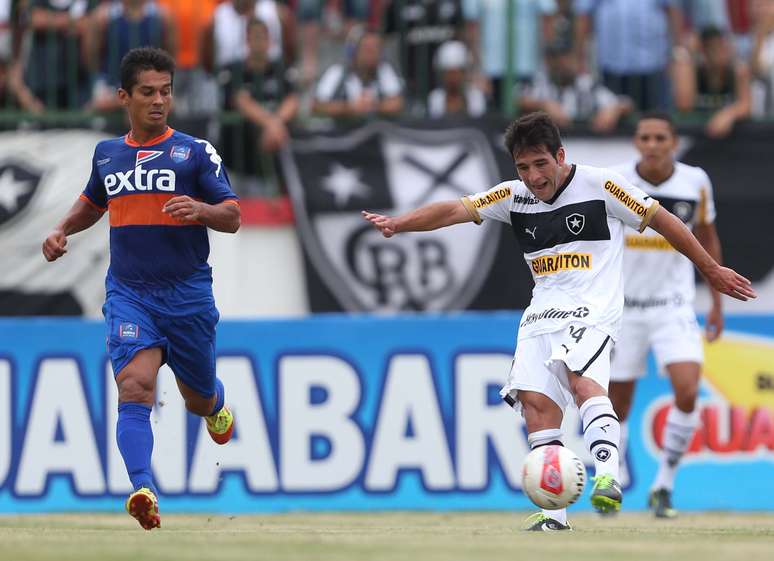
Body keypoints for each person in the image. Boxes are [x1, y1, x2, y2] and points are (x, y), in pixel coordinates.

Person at [362, 111, 755, 531]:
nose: (532, 176)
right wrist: (399, 224)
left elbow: (665, 221)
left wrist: (710, 269)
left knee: (581, 380)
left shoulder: (602, 185)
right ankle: (555, 516)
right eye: (523, 167)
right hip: (541, 311)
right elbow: (454, 210)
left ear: (561, 156)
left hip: (593, 307)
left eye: (540, 164)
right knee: (535, 405)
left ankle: (607, 476)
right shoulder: (511, 196)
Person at [41, 47, 240, 531]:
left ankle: (214, 405)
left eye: (166, 92)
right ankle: (142, 487)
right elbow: (93, 202)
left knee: (195, 398)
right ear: (123, 97)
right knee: (135, 386)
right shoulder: (108, 154)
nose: (159, 101)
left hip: (188, 294)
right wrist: (62, 228)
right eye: (148, 92)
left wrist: (202, 210)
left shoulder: (195, 152)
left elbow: (232, 216)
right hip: (131, 294)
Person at [608, 112, 724, 518]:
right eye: (645, 137)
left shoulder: (695, 181)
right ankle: (614, 475)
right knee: (616, 404)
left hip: (673, 305)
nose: (652, 144)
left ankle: (664, 485)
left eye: (660, 137)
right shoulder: (615, 180)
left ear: (674, 141)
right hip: (623, 307)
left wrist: (717, 303)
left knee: (688, 390)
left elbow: (707, 237)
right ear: (636, 143)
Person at [519, 42, 632, 133]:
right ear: (548, 62)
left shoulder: (587, 84)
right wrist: (544, 105)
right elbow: (518, 99)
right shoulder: (540, 83)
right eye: (557, 58)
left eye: (567, 58)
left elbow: (626, 103)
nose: (563, 63)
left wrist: (613, 109)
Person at [672, 26, 751, 138]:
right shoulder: (691, 69)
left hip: (731, 138)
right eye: (712, 47)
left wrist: (728, 114)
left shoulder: (738, 70)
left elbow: (746, 105)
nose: (719, 52)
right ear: (702, 50)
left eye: (722, 46)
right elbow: (685, 105)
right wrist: (690, 55)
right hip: (695, 134)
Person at [313, 27, 404, 119]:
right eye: (367, 49)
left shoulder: (384, 70)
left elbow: (397, 103)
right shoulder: (337, 72)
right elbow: (318, 106)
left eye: (377, 49)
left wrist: (374, 106)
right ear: (353, 52)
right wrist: (349, 108)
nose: (373, 54)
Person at [426, 40, 486, 118]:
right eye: (449, 73)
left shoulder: (476, 98)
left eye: (457, 73)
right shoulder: (435, 99)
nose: (453, 78)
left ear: (464, 73)